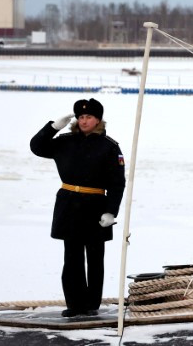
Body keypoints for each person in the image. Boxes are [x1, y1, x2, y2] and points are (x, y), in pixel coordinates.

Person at [30, 98, 126, 317]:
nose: (84, 121)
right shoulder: (64, 141)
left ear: (98, 119)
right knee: (71, 257)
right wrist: (53, 127)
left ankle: (91, 304)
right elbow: (36, 147)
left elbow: (117, 182)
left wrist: (111, 211)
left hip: (95, 206)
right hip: (69, 204)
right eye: (81, 117)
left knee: (94, 258)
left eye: (89, 117)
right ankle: (74, 304)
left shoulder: (109, 146)